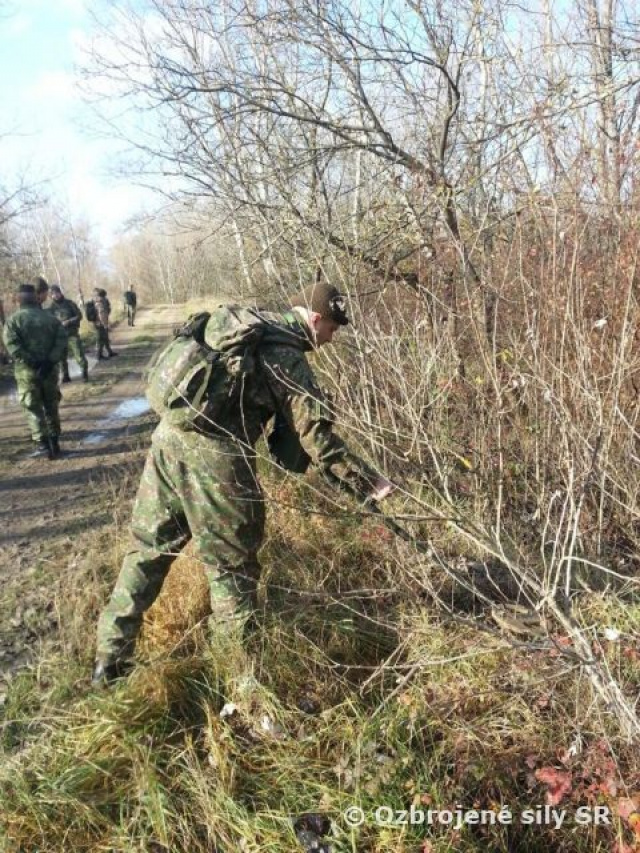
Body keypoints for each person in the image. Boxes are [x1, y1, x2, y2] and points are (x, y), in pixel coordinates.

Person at [92, 282, 393, 685]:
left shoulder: (253, 326)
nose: (331, 339)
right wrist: (368, 483)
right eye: (332, 329)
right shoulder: (286, 355)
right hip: (216, 458)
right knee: (233, 570)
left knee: (147, 550)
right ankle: (238, 681)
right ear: (315, 318)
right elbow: (315, 438)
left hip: (168, 441)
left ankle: (109, 661)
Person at [3, 283, 68, 459]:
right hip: (49, 370)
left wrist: (33, 362)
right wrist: (49, 361)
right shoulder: (51, 318)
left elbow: (13, 347)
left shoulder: (13, 321)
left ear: (18, 300)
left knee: (33, 407)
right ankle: (55, 442)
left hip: (27, 373)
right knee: (51, 405)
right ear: (36, 298)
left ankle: (43, 445)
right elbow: (62, 341)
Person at [48, 284, 89, 383]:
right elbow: (50, 322)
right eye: (53, 294)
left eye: (57, 293)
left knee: (79, 354)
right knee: (62, 358)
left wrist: (69, 321)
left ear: (60, 293)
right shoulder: (51, 308)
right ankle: (65, 376)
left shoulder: (69, 303)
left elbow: (79, 315)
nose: (55, 295)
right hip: (59, 337)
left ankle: (84, 373)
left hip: (72, 334)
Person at [93, 288, 116, 359]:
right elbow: (101, 315)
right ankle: (99, 355)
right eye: (105, 296)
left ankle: (109, 352)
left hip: (100, 323)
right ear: (103, 295)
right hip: (100, 324)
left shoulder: (99, 301)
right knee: (100, 340)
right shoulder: (100, 303)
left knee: (105, 338)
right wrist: (106, 325)